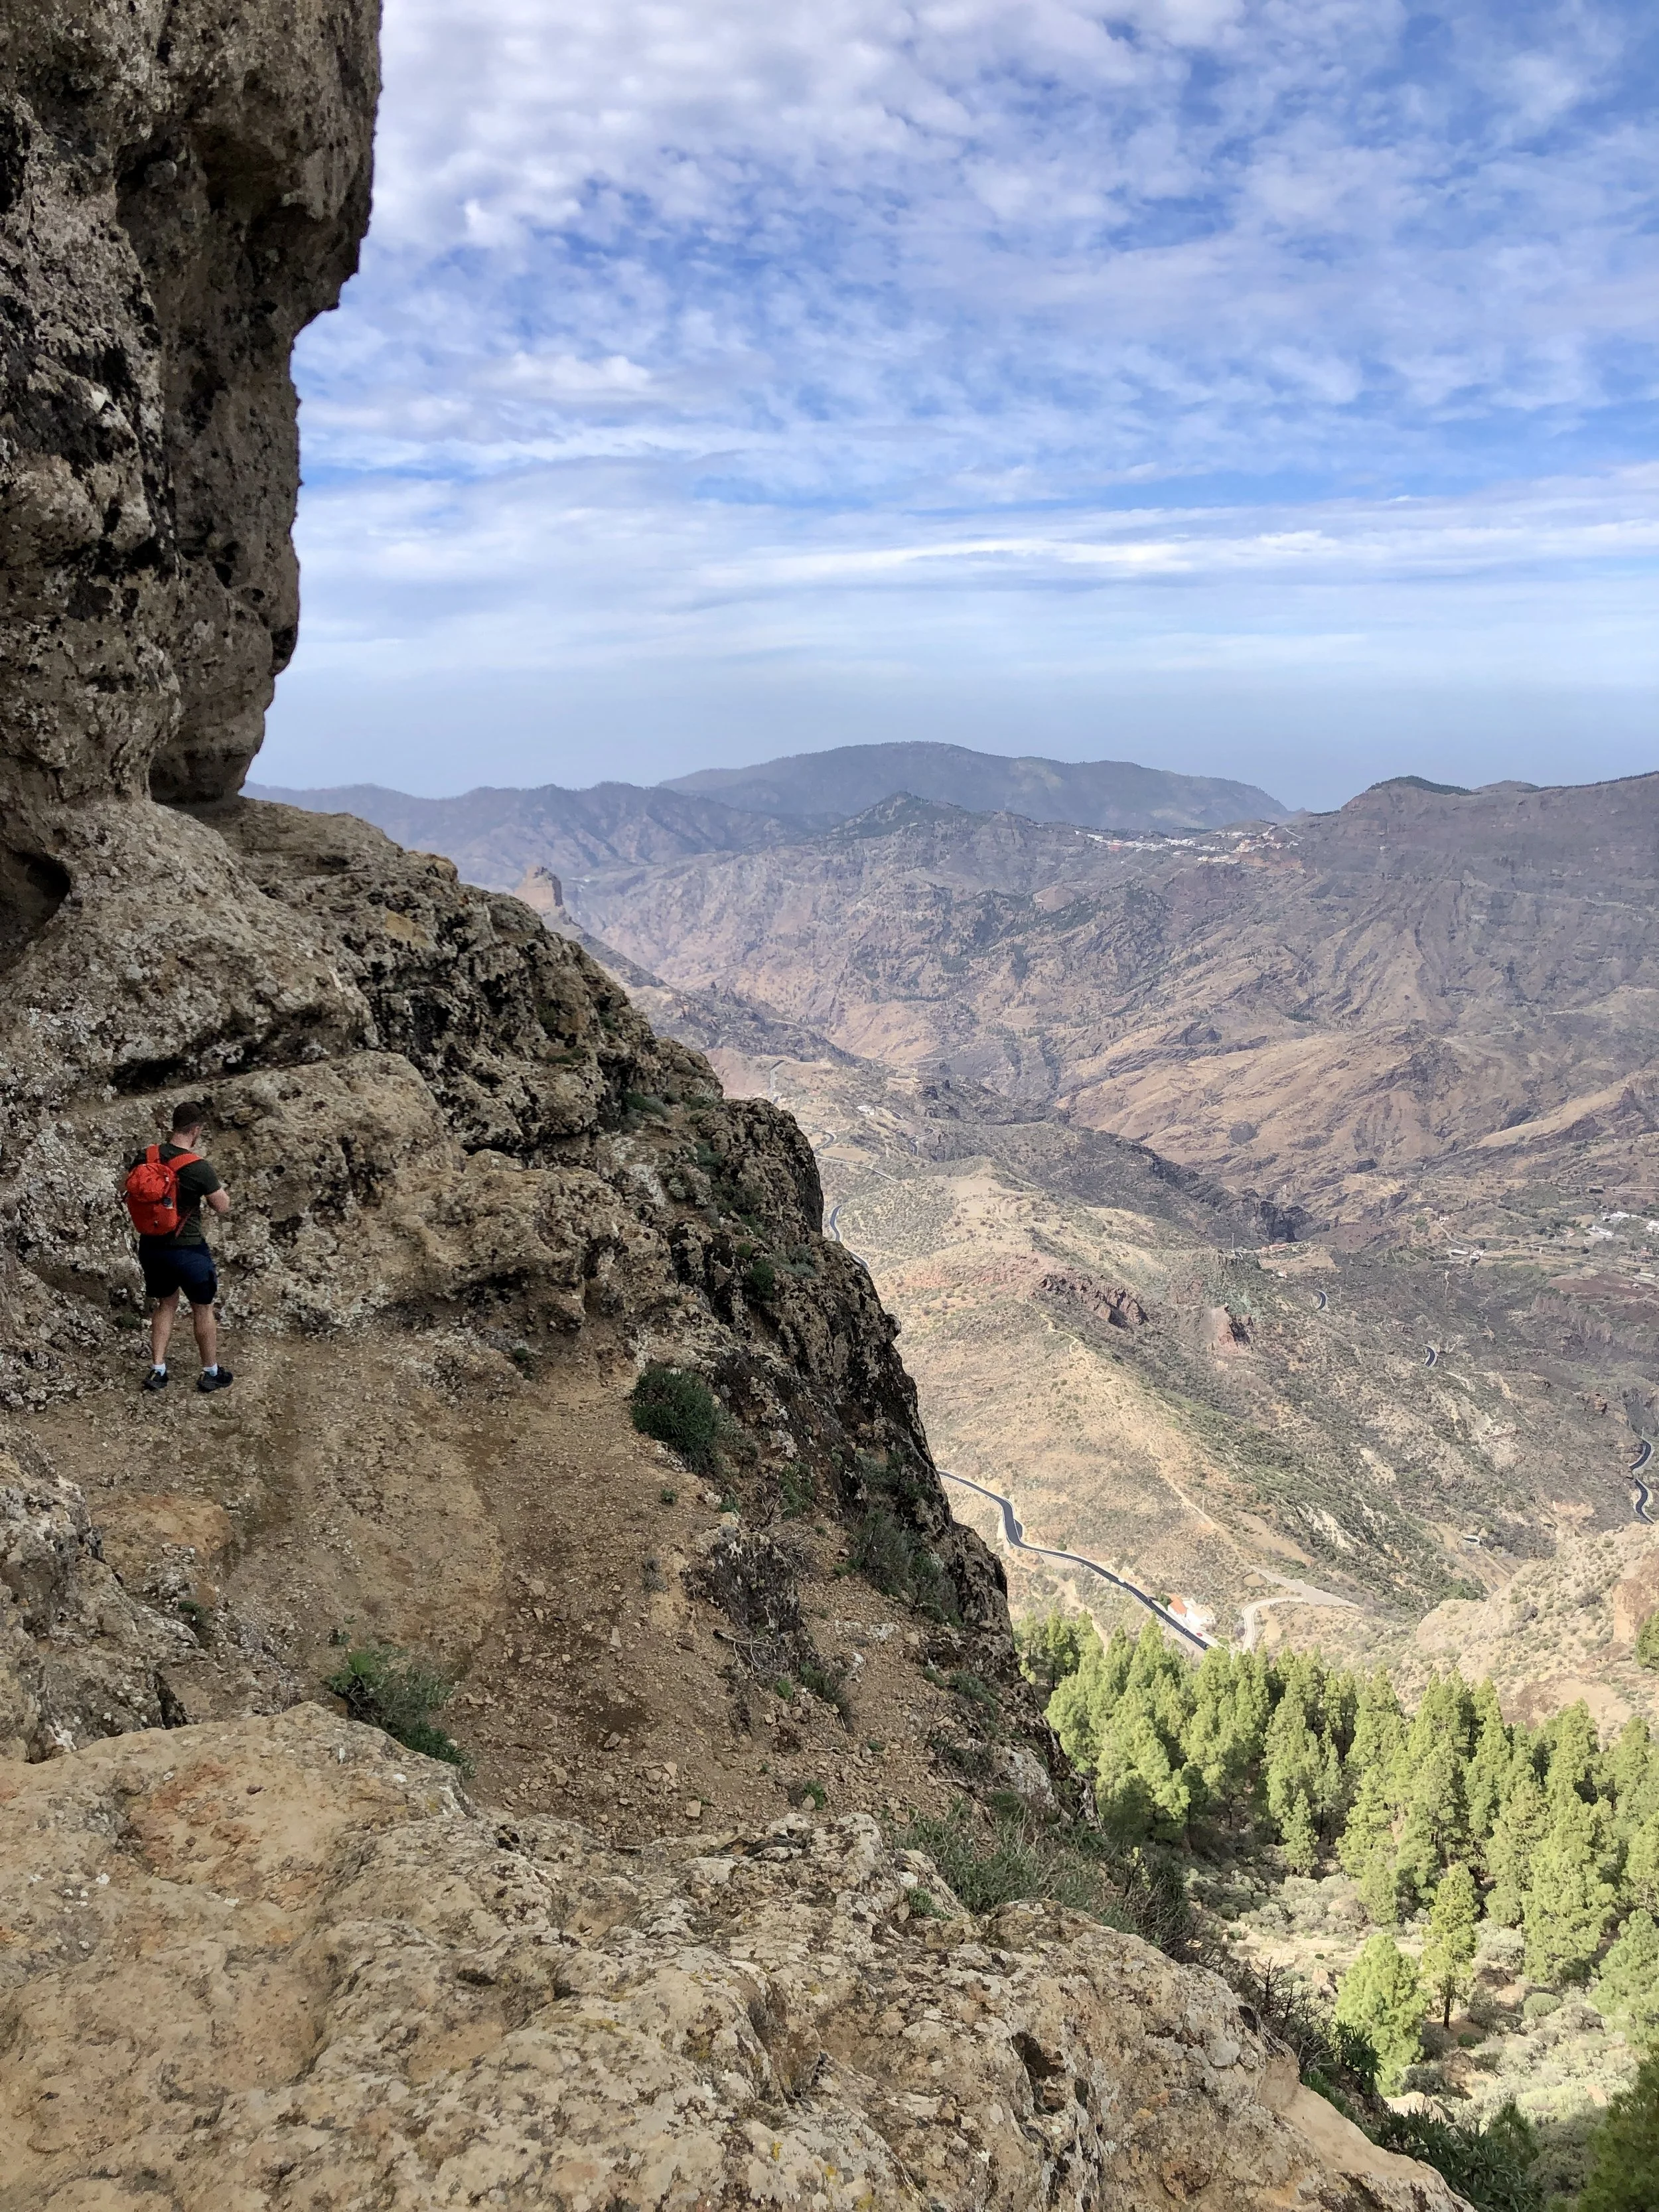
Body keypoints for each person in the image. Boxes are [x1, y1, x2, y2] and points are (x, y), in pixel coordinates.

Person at [126, 1100, 234, 1394]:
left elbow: (128, 1188)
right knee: (203, 1308)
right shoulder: (198, 1167)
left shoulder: (146, 1156)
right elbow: (222, 1206)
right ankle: (210, 1372)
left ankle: (158, 1369)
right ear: (196, 1130)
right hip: (189, 1249)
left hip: (152, 1247)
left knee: (165, 1304)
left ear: (173, 1126)